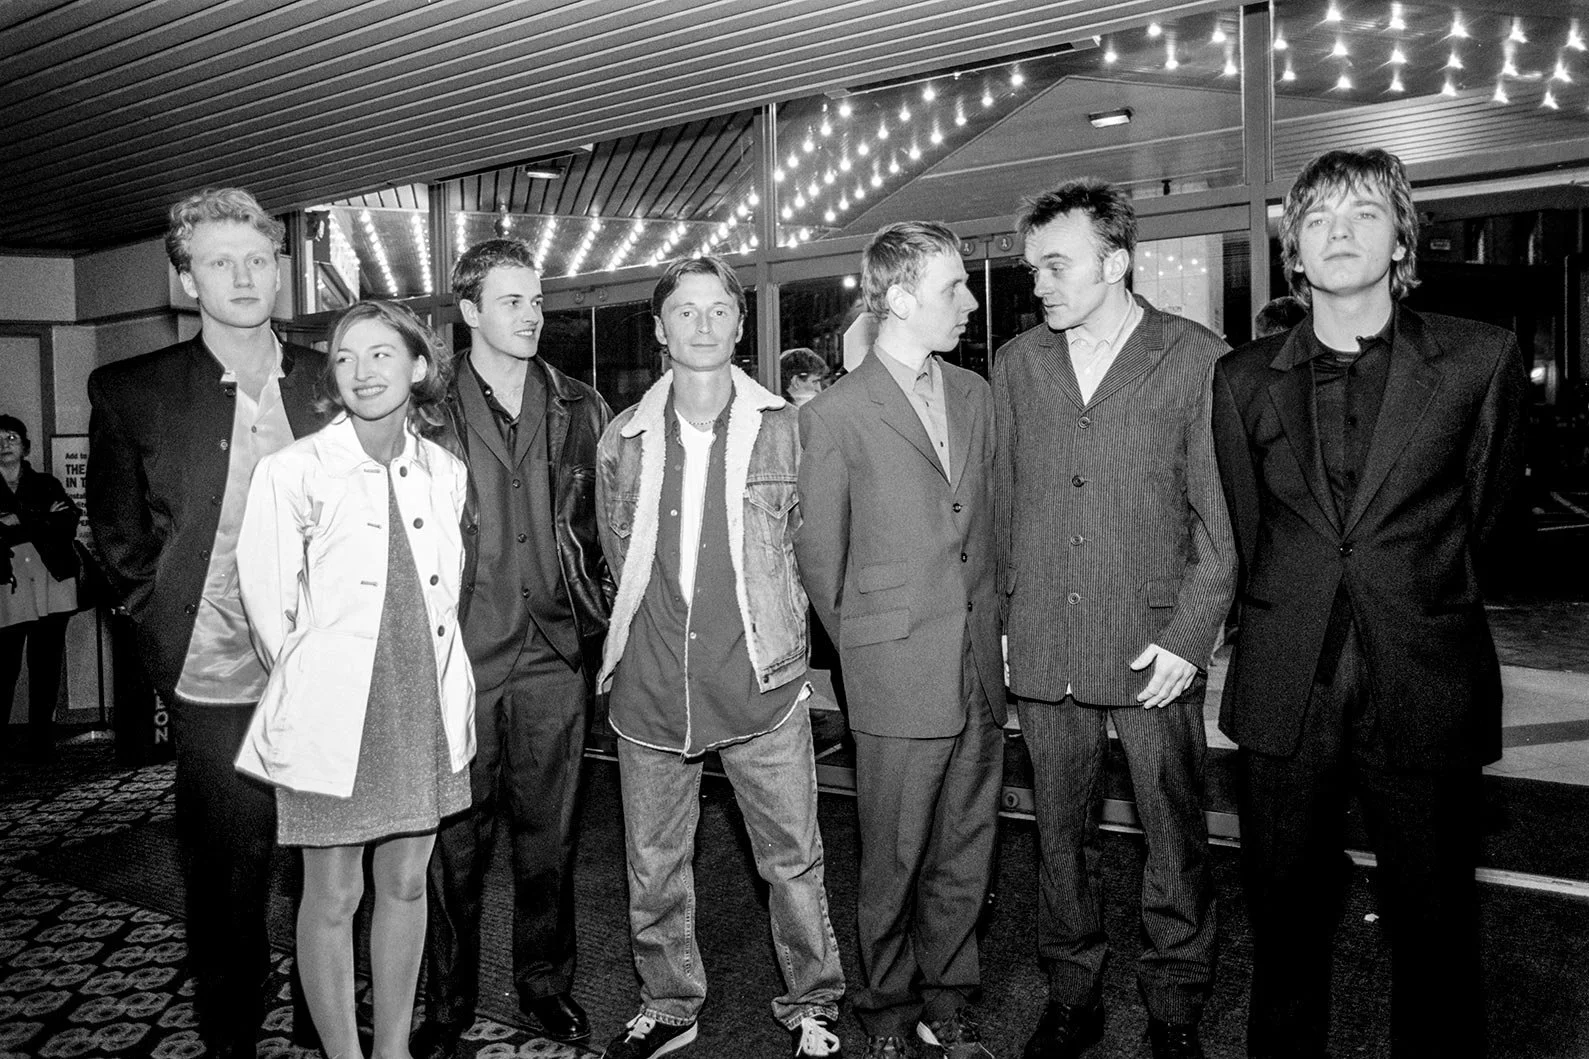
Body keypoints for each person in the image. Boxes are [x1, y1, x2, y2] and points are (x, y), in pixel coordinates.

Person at [1212, 147, 1527, 1059]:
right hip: (1285, 689)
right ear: (1293, 254)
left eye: (1358, 215)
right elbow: (1249, 527)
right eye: (1315, 221)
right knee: (1282, 929)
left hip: (1423, 678)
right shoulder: (1240, 379)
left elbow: (1488, 519)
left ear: (1399, 238)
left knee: (1434, 933)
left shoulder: (1477, 359)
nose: (1336, 233)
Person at [992, 178, 1235, 1059]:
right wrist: (1007, 618)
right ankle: (1072, 995)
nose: (1040, 284)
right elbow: (1003, 505)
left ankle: (1174, 1005)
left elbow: (1223, 521)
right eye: (1033, 269)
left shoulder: (1197, 358)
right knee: (1058, 838)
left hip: (1152, 649)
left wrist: (1189, 636)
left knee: (1173, 838)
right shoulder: (1017, 363)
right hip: (1046, 646)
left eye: (1056, 265)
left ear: (1117, 260)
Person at [87, 187, 331, 1058]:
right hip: (214, 676)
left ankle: (320, 1021)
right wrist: (159, 616)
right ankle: (231, 1036)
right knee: (229, 875)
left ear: (280, 268)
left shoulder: (332, 377)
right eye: (219, 261)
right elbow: (117, 534)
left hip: (322, 677)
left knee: (326, 872)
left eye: (257, 258)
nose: (242, 275)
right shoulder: (132, 391)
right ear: (183, 278)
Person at [594, 256, 845, 1059]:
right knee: (653, 866)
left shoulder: (787, 428)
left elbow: (809, 553)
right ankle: (669, 1004)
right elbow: (616, 550)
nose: (701, 324)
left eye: (717, 311)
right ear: (661, 328)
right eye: (685, 311)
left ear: (740, 325)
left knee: (792, 862)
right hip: (651, 685)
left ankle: (812, 1001)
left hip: (760, 685)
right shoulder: (621, 439)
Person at [235, 300, 475, 1059]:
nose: (362, 371)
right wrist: (322, 687)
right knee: (333, 893)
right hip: (334, 713)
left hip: (422, 699)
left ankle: (394, 1047)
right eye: (344, 357)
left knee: (406, 882)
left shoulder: (445, 471)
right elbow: (268, 607)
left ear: (417, 365)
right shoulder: (293, 469)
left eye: (380, 354)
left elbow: (447, 594)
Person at [797, 222, 1004, 1059]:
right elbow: (820, 559)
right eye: (954, 285)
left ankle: (946, 1000)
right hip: (892, 670)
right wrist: (871, 650)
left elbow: (990, 525)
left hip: (975, 666)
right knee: (890, 858)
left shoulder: (976, 395)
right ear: (900, 294)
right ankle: (884, 1008)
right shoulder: (837, 413)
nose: (970, 299)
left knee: (965, 847)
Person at [415, 238, 614, 1058]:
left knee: (550, 839)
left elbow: (601, 523)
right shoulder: (424, 408)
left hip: (552, 653)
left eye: (536, 301)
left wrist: (599, 613)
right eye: (511, 301)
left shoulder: (580, 403)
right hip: (458, 656)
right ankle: (447, 1001)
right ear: (467, 312)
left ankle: (545, 984)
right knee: (453, 848)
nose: (531, 315)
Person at [0, 414, 80, 761]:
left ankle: (41, 740)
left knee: (45, 664)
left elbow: (68, 522)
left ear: (25, 446)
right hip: (8, 584)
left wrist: (18, 519)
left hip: (51, 583)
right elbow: (52, 521)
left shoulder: (46, 483)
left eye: (12, 437)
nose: (5, 444)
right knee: (4, 666)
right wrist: (41, 518)